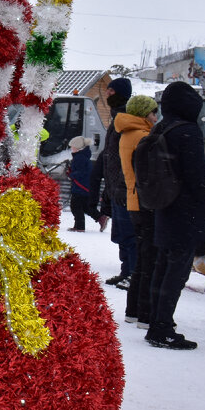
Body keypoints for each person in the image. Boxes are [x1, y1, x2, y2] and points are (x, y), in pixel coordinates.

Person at [146, 81, 205, 350]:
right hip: (185, 212)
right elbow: (197, 177)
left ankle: (156, 323)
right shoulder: (187, 132)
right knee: (176, 271)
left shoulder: (162, 127)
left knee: (162, 267)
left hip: (164, 207)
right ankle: (163, 328)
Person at [115, 94, 158, 328]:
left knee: (143, 259)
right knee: (148, 260)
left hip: (135, 201)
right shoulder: (142, 137)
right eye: (152, 112)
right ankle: (144, 313)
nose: (155, 116)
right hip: (144, 202)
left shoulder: (128, 134)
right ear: (143, 114)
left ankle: (133, 310)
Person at [90, 77, 137, 287]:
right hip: (116, 186)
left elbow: (121, 154)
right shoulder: (117, 116)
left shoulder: (126, 118)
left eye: (110, 91)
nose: (107, 94)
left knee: (129, 234)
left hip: (124, 185)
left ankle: (133, 273)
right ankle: (126, 270)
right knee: (121, 233)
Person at [66, 135, 98, 231]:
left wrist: (71, 175)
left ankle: (80, 227)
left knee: (76, 207)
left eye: (73, 147)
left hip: (80, 187)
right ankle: (99, 218)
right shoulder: (82, 156)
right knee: (82, 207)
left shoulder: (79, 158)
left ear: (78, 148)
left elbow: (81, 172)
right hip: (83, 186)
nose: (71, 148)